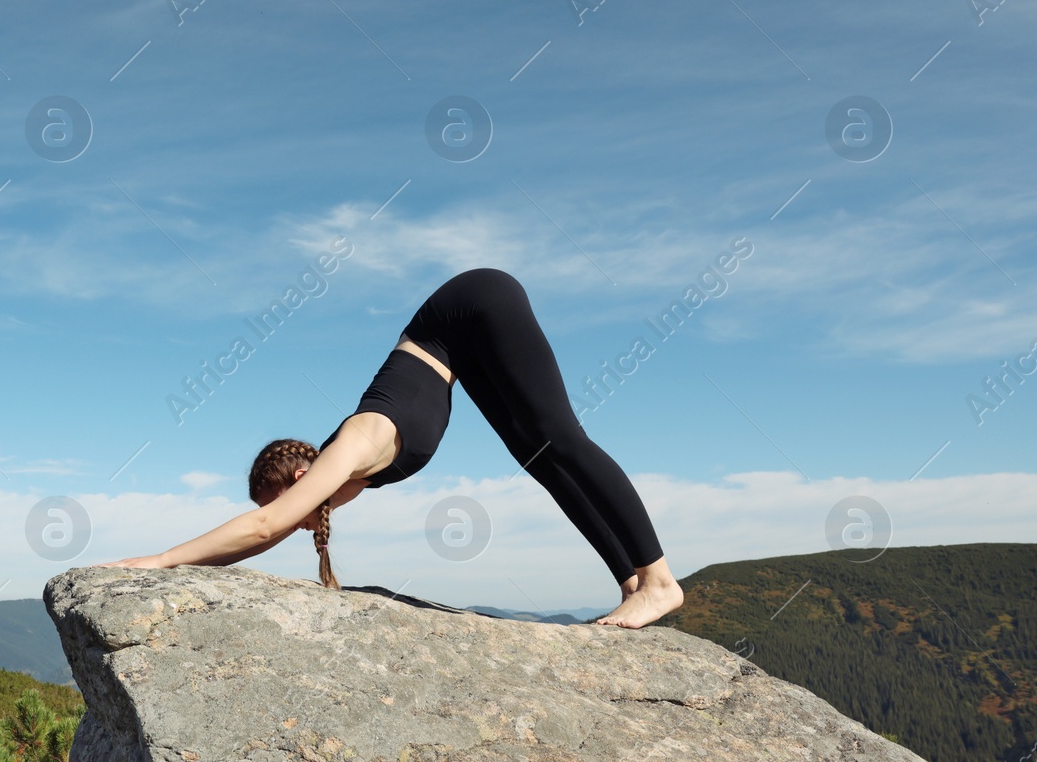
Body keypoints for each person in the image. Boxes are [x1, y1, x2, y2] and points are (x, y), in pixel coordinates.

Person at [99, 267, 683, 629]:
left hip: (474, 303)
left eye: (277, 501)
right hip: (460, 345)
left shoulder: (354, 443)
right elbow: (269, 532)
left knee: (560, 436)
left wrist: (160, 561)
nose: (292, 523)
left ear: (300, 477)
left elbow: (262, 529)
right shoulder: (345, 475)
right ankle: (630, 582)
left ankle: (658, 579)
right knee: (536, 453)